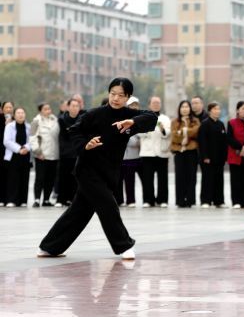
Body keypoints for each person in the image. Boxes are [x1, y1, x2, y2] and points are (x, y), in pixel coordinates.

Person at [37, 78, 157, 260]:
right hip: (87, 170)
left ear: (128, 97)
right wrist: (86, 144)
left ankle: (49, 247)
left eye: (120, 95)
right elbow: (74, 130)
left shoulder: (128, 116)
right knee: (108, 205)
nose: (115, 98)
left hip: (109, 173)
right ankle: (123, 245)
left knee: (79, 212)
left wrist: (132, 123)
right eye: (112, 94)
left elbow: (151, 117)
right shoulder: (95, 114)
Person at [138, 96, 171, 207]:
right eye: (154, 102)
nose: (156, 104)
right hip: (148, 152)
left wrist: (162, 129)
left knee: (163, 178)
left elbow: (168, 134)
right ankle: (148, 200)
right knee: (147, 178)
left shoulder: (165, 119)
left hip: (162, 152)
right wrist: (148, 128)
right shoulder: (143, 117)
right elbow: (139, 133)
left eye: (158, 102)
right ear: (149, 105)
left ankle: (162, 200)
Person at [170, 100, 200, 208]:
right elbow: (174, 136)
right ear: (179, 109)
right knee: (180, 176)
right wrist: (187, 132)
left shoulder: (195, 120)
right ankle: (180, 200)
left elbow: (196, 131)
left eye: (187, 107)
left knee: (191, 177)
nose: (185, 109)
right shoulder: (174, 122)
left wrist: (183, 132)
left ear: (190, 109)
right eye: (182, 107)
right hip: (179, 151)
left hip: (191, 151)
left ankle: (190, 200)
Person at [30, 103, 60, 207]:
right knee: (40, 178)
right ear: (40, 111)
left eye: (49, 108)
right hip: (41, 155)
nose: (48, 110)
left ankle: (46, 199)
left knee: (50, 178)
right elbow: (32, 138)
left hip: (54, 154)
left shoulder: (55, 120)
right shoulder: (36, 121)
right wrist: (38, 151)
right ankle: (37, 199)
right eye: (45, 109)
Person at [199, 102, 227, 207]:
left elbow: (224, 142)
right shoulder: (205, 124)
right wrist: (205, 156)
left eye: (219, 109)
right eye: (215, 109)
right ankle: (205, 200)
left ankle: (219, 201)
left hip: (219, 158)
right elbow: (202, 142)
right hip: (208, 158)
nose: (217, 111)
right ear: (210, 111)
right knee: (207, 180)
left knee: (219, 180)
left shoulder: (221, 124)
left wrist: (225, 157)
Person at [56, 98, 82, 206]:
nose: (75, 108)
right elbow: (63, 137)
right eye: (73, 106)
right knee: (63, 177)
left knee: (75, 178)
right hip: (65, 153)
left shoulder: (82, 119)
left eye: (77, 106)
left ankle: (73, 199)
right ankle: (60, 199)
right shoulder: (61, 120)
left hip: (77, 153)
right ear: (68, 107)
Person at [4, 107, 32, 207]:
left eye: (22, 113)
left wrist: (26, 148)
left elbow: (31, 140)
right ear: (14, 115)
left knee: (25, 178)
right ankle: (11, 200)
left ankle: (23, 200)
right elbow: (6, 141)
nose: (21, 115)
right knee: (13, 179)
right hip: (13, 155)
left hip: (25, 155)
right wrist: (19, 149)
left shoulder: (29, 127)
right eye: (18, 113)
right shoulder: (9, 126)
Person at [119, 96, 143, 207]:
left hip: (134, 156)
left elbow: (141, 138)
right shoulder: (121, 118)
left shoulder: (141, 119)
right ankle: (119, 200)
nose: (134, 107)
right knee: (119, 179)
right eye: (131, 105)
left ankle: (131, 200)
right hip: (121, 155)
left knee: (130, 179)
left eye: (136, 105)